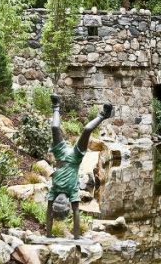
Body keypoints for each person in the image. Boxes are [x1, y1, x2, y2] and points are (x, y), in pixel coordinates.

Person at [46, 94, 112, 239]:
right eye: (62, 204)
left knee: (55, 127)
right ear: (67, 205)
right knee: (87, 130)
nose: (60, 201)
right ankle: (104, 115)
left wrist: (48, 234)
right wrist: (76, 237)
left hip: (60, 155)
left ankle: (56, 106)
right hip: (75, 158)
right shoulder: (73, 193)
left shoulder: (53, 192)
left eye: (57, 202)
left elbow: (48, 213)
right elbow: (76, 214)